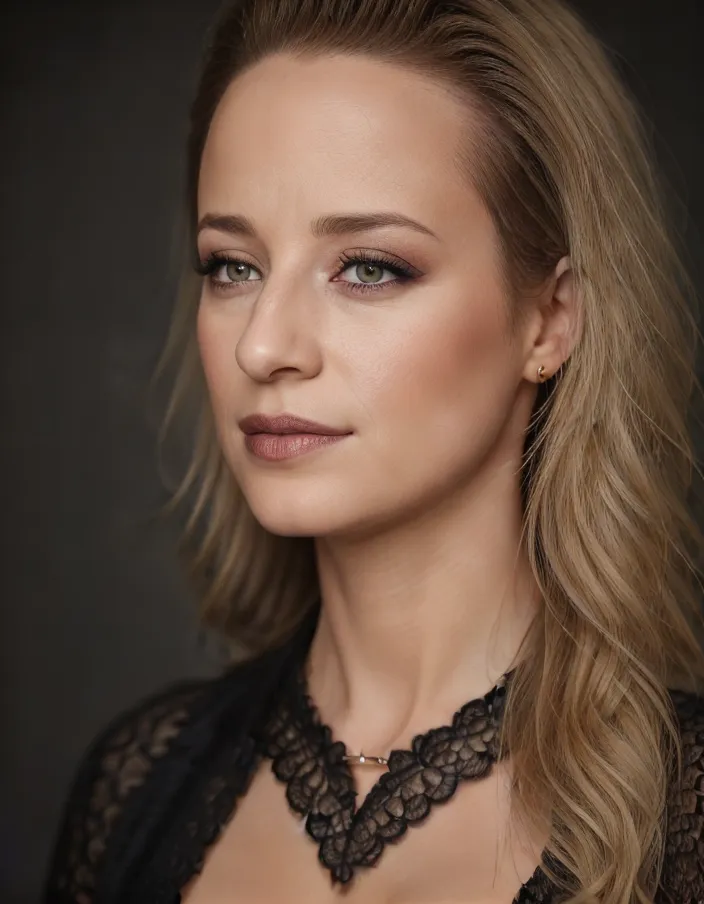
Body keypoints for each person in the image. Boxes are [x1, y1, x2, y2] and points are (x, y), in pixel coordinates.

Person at [42, 0, 704, 901]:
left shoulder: (687, 819)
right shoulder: (135, 792)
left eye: (369, 267)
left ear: (551, 319)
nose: (263, 347)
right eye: (232, 266)